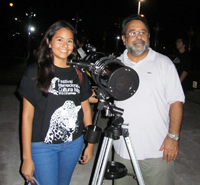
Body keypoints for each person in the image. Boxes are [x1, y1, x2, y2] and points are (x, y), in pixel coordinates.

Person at [18, 20, 94, 185]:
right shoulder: (35, 72)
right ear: (49, 42)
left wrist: (90, 143)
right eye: (59, 39)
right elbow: (27, 117)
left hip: (73, 144)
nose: (65, 45)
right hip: (42, 146)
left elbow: (86, 110)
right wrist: (26, 158)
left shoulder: (79, 73)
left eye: (69, 41)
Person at [112, 15, 185, 185]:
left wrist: (173, 137)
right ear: (124, 39)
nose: (138, 36)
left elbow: (176, 102)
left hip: (157, 150)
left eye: (143, 32)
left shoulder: (164, 63)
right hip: (122, 150)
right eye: (133, 33)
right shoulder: (115, 65)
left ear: (148, 37)